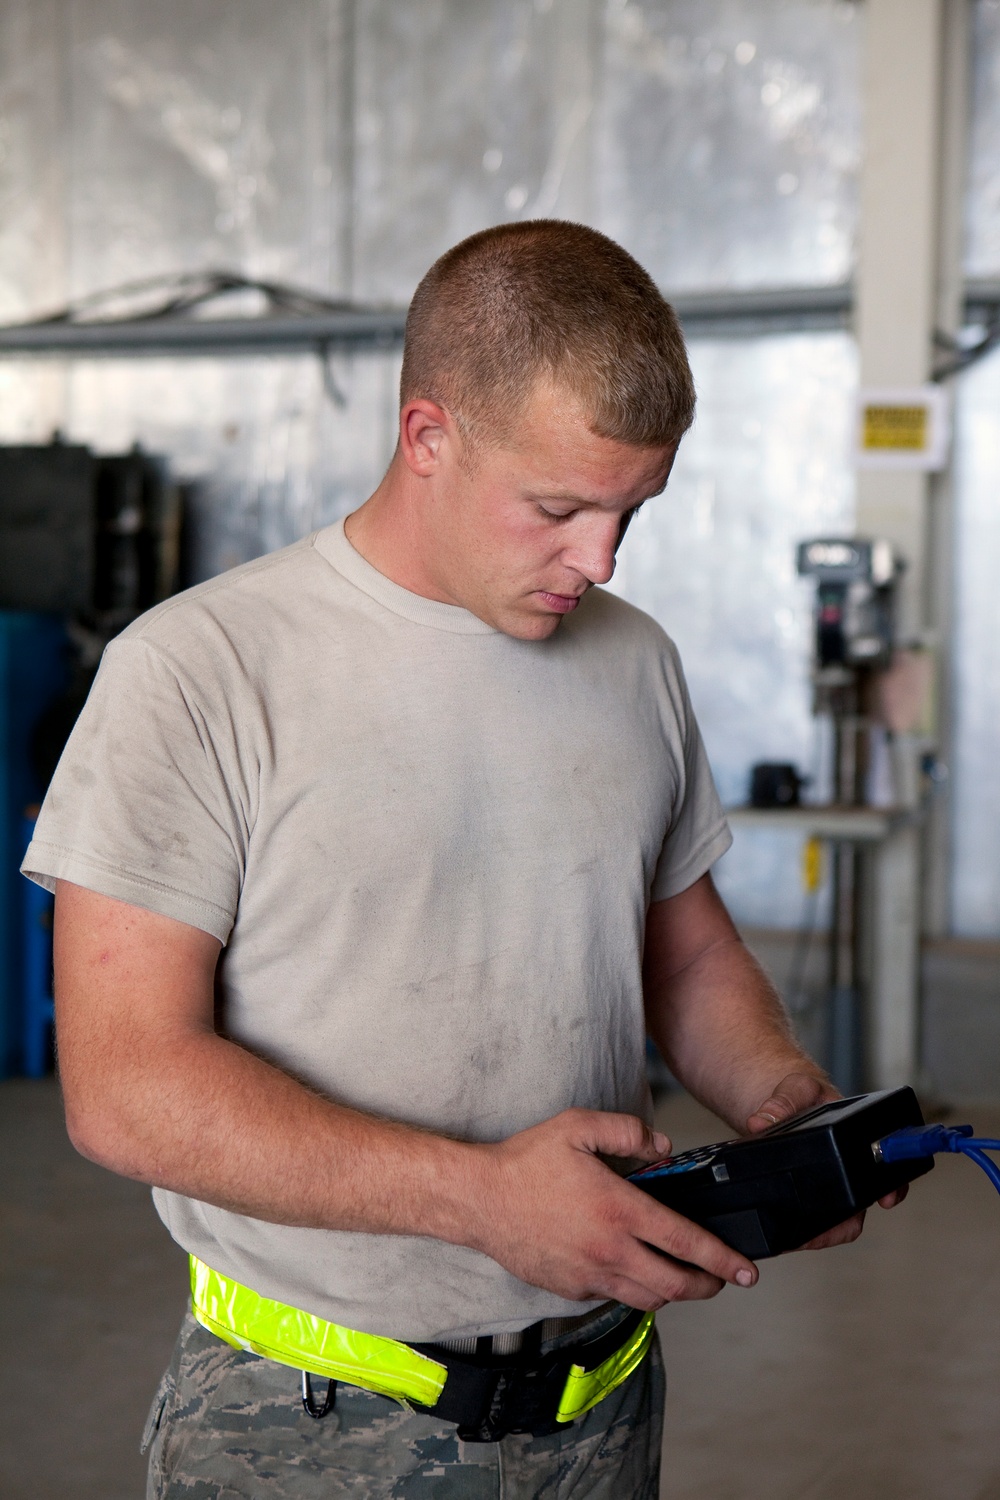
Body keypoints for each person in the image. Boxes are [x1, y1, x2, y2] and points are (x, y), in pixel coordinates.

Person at [24, 220, 896, 1500]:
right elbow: (124, 1085)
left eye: (630, 512)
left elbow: (683, 944)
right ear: (427, 436)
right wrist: (479, 1199)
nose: (596, 561)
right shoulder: (198, 672)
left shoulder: (633, 657)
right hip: (311, 1424)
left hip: (603, 1405)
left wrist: (781, 1110)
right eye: (558, 507)